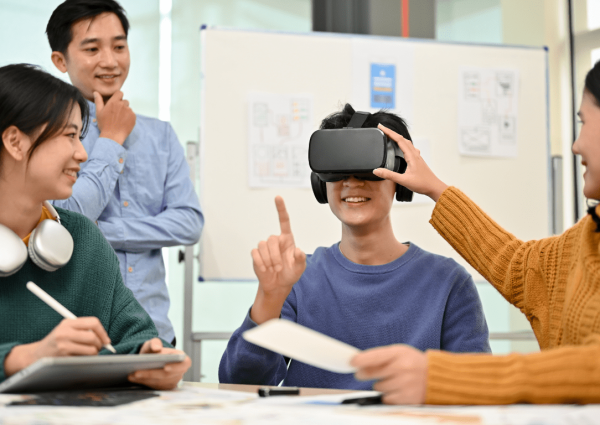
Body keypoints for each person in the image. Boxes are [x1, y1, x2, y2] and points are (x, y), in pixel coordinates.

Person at [350, 62, 600, 405]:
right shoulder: (589, 237)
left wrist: (442, 377)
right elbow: (518, 267)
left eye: (583, 122)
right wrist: (435, 189)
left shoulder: (446, 281)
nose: (575, 145)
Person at [219, 104, 491, 390]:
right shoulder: (298, 278)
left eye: (367, 169)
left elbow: (477, 387)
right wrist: (269, 299)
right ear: (320, 183)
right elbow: (239, 384)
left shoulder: (447, 282)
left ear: (400, 179)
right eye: (338, 170)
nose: (351, 182)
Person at [0, 63, 190, 389]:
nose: (83, 154)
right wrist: (23, 358)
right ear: (16, 142)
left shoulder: (82, 237)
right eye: (70, 136)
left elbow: (135, 334)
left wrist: (151, 356)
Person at [46, 0, 203, 345]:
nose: (110, 61)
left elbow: (189, 221)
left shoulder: (160, 134)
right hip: (81, 334)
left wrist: (105, 231)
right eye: (92, 48)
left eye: (119, 46)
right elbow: (65, 217)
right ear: (60, 60)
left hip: (155, 332)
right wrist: (112, 139)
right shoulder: (47, 134)